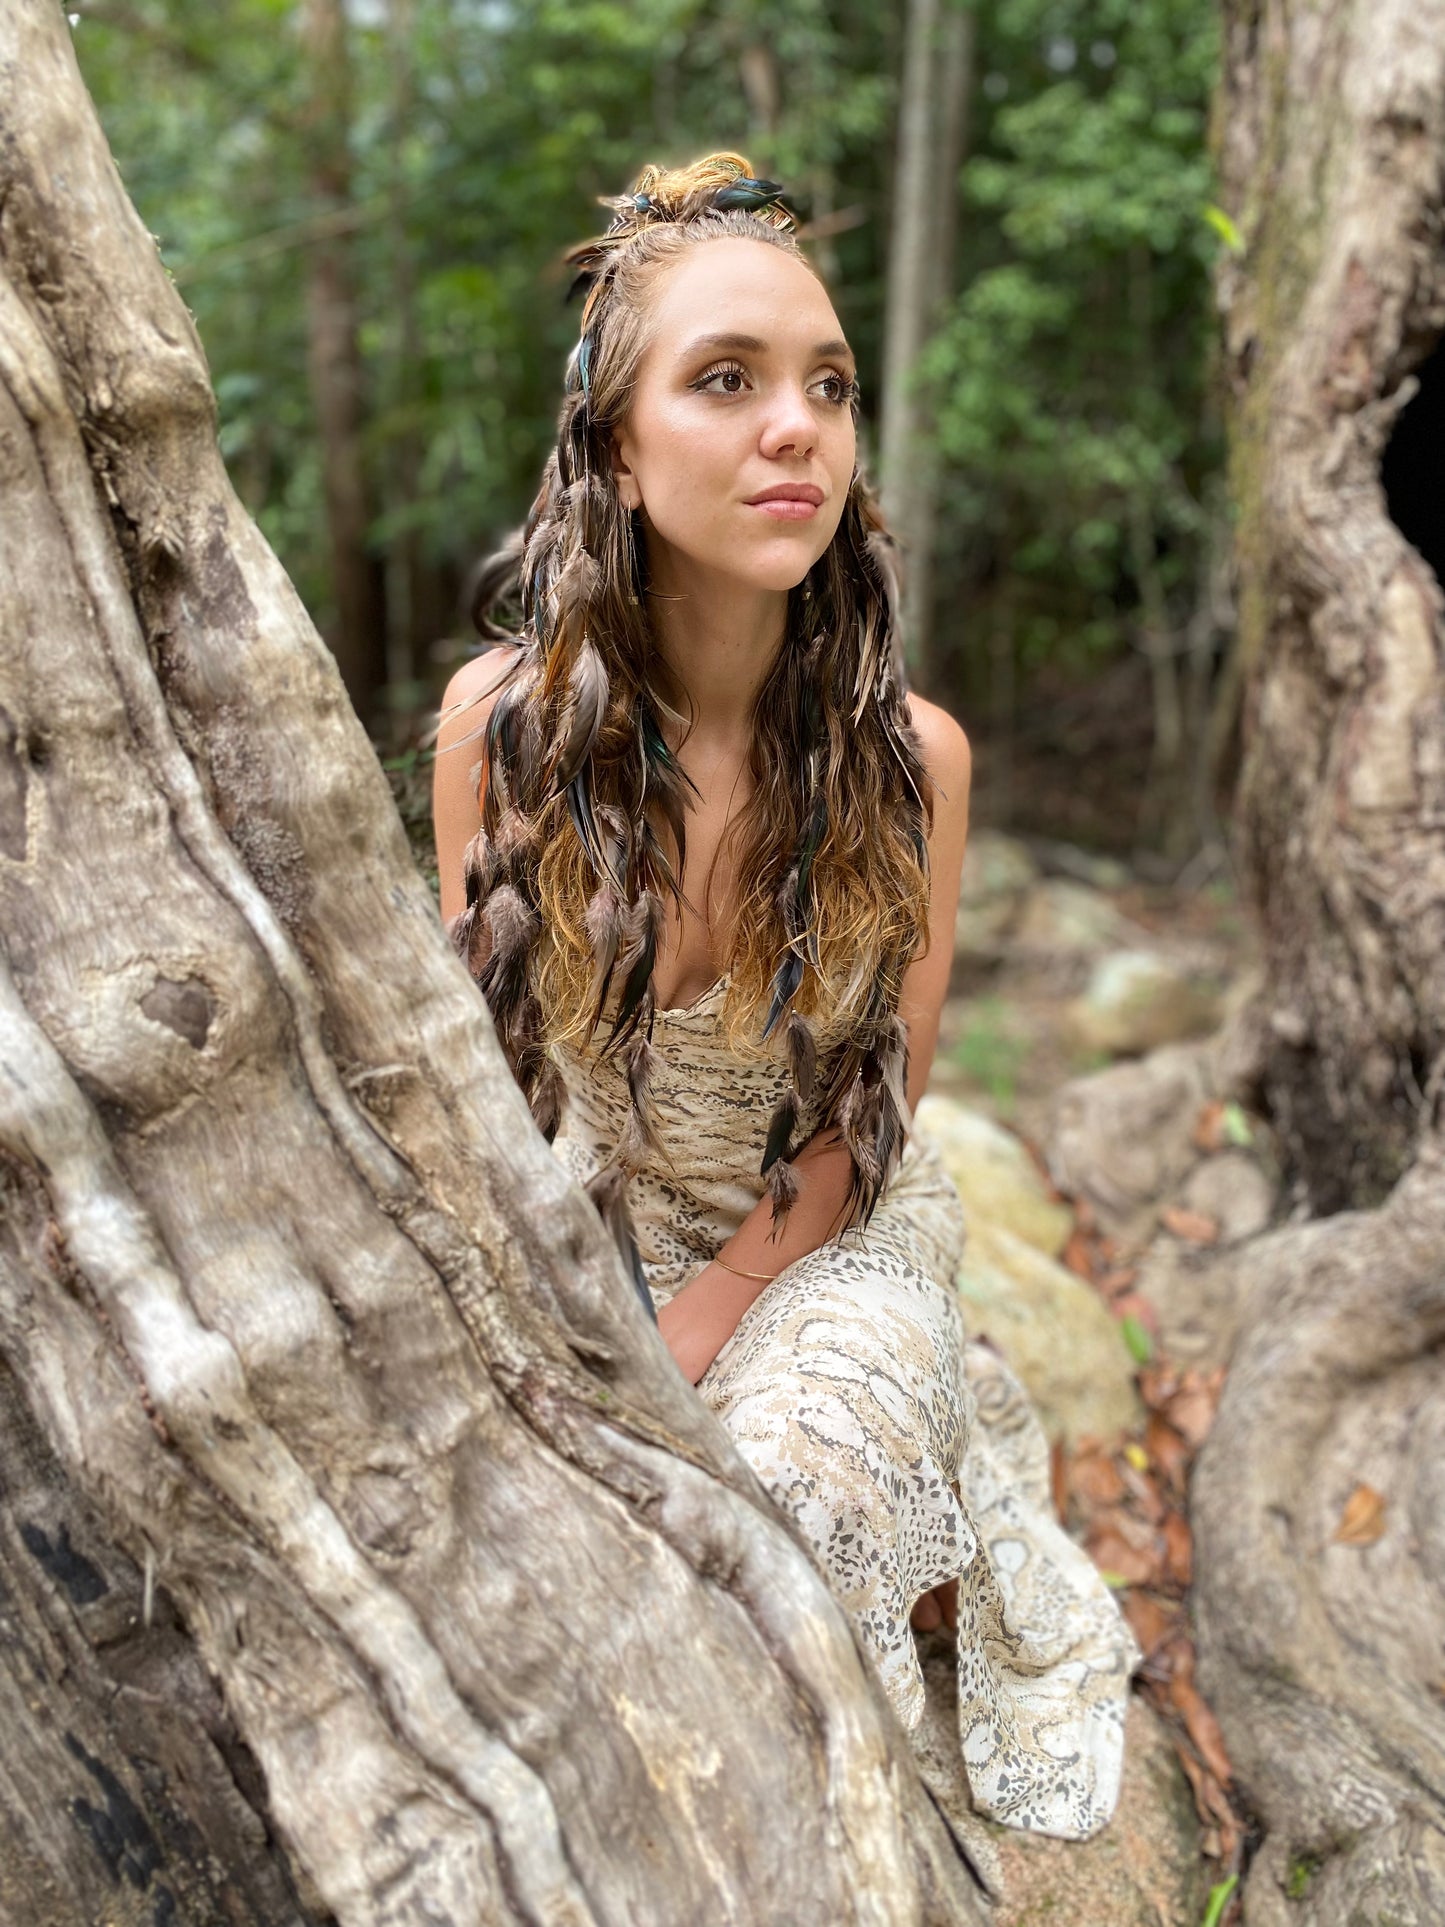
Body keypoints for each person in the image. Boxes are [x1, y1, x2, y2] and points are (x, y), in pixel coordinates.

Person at [431, 152, 1141, 1839]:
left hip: (829, 1222)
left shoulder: (914, 766)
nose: (795, 428)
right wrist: (590, 1313)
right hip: (600, 1234)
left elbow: (877, 1098)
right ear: (614, 444)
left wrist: (726, 1297)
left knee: (787, 1489)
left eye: (825, 384)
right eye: (725, 381)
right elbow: (478, 1085)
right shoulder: (499, 731)